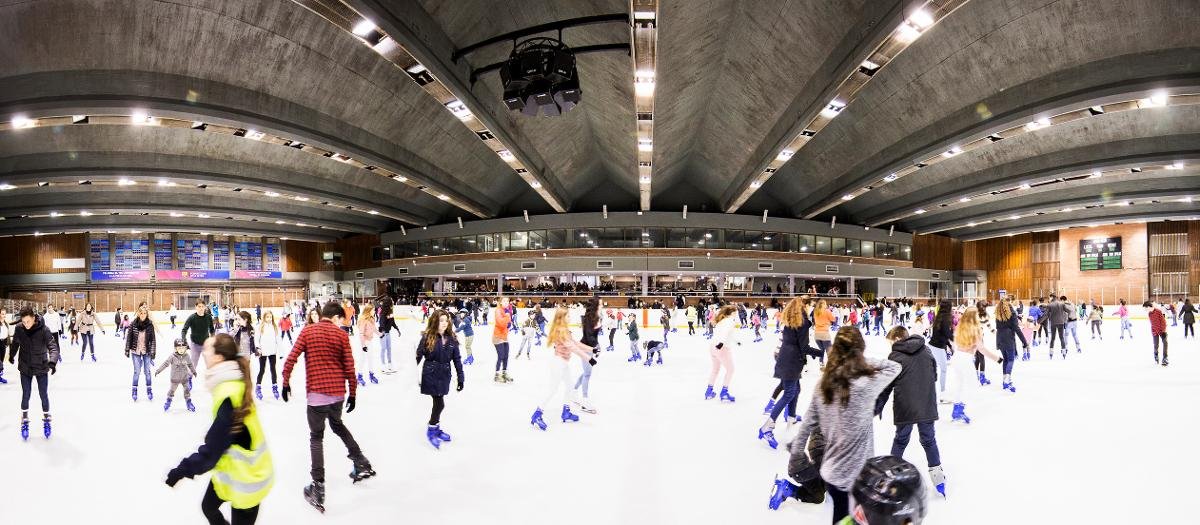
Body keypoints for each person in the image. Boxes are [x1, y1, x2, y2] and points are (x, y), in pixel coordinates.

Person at [777, 326, 901, 523]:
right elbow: (895, 367)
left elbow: (806, 428)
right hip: (860, 476)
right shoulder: (867, 384)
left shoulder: (823, 386)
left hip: (834, 475)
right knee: (859, 518)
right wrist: (858, 361)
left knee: (844, 517)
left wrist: (796, 456)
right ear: (860, 351)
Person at [165, 333, 273, 524]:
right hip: (231, 470)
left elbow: (211, 454)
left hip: (248, 478)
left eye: (207, 349)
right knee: (208, 507)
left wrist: (182, 470)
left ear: (219, 358)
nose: (203, 353)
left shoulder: (229, 393)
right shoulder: (229, 383)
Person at [281, 301, 375, 513]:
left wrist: (285, 382)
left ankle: (318, 486)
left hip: (317, 396)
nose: (341, 323)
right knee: (338, 425)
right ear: (334, 317)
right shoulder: (341, 335)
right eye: (340, 319)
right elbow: (349, 367)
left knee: (316, 437)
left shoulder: (307, 332)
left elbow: (291, 358)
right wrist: (352, 393)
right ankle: (360, 461)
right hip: (337, 395)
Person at [876, 326, 945, 497]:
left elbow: (886, 386)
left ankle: (890, 476)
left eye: (891, 341)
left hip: (905, 406)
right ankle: (938, 478)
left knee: (900, 441)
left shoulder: (895, 356)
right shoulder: (926, 350)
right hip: (926, 404)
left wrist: (877, 407)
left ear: (898, 338)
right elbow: (934, 375)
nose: (891, 345)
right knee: (929, 440)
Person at [757, 297, 821, 449]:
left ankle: (791, 417)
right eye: (809, 306)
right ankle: (767, 427)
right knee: (789, 393)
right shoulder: (802, 322)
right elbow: (804, 347)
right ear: (804, 307)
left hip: (785, 358)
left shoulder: (791, 320)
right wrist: (821, 353)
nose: (810, 308)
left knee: (795, 390)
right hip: (792, 361)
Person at [529, 307, 597, 431]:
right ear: (562, 318)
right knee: (552, 390)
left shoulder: (565, 330)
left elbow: (576, 343)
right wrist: (589, 358)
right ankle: (537, 414)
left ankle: (566, 412)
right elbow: (572, 347)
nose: (570, 318)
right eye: (568, 316)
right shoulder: (561, 331)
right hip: (558, 363)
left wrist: (592, 350)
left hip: (563, 363)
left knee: (570, 387)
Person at [415, 310, 464, 449]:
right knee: (439, 404)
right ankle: (432, 430)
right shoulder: (427, 337)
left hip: (444, 375)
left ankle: (435, 428)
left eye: (446, 320)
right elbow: (418, 356)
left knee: (439, 403)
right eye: (441, 320)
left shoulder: (452, 338)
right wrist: (411, 369)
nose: (445, 323)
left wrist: (461, 378)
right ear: (435, 321)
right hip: (430, 374)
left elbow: (457, 360)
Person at [10, 306, 59, 440]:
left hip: (41, 366)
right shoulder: (19, 328)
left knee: (43, 394)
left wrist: (53, 362)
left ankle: (47, 420)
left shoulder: (44, 330)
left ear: (33, 318)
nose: (26, 324)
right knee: (26, 394)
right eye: (23, 322)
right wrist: (11, 355)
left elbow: (53, 347)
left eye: (28, 321)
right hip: (25, 367)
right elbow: (15, 343)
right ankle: (24, 421)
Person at [949, 309, 1002, 424]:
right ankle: (959, 410)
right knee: (971, 385)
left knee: (960, 384)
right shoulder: (975, 329)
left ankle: (956, 410)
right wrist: (996, 358)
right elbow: (981, 349)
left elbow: (953, 342)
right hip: (965, 359)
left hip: (957, 357)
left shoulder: (959, 326)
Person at [705, 305, 740, 402]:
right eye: (735, 312)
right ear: (732, 313)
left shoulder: (722, 321)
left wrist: (737, 341)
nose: (736, 314)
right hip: (721, 348)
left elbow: (729, 334)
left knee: (715, 370)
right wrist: (721, 344)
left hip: (712, 347)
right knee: (731, 370)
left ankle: (709, 391)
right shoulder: (730, 321)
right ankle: (724, 393)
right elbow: (724, 333)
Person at [994, 300, 1029, 393]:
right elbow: (1017, 328)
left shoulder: (998, 314)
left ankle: (1004, 381)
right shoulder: (1012, 314)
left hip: (1000, 338)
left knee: (1005, 359)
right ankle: (1007, 380)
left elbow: (998, 327)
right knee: (1010, 359)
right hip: (1008, 338)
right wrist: (1024, 341)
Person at [574, 300, 602, 414]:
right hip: (585, 348)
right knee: (587, 373)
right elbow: (589, 337)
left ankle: (573, 390)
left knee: (586, 372)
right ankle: (585, 400)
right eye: (600, 304)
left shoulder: (594, 318)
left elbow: (594, 336)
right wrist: (595, 347)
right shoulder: (590, 319)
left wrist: (597, 345)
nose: (602, 305)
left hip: (589, 348)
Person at [156, 338, 199, 412]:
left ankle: (188, 402)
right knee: (172, 391)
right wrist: (158, 370)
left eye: (183, 348)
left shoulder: (187, 356)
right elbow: (165, 364)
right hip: (174, 379)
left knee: (187, 390)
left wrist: (194, 371)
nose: (181, 350)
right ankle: (168, 401)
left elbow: (190, 364)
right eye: (179, 348)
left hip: (185, 378)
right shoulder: (172, 356)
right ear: (175, 348)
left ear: (186, 348)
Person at [126, 306, 157, 402]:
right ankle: (134, 390)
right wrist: (127, 349)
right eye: (141, 313)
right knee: (137, 371)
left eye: (144, 313)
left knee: (147, 372)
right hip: (135, 351)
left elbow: (153, 340)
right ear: (138, 314)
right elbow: (129, 338)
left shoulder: (150, 325)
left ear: (147, 314)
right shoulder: (133, 324)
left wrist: (152, 352)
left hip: (146, 351)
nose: (143, 315)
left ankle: (149, 389)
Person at [927, 301, 953, 402]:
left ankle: (930, 392)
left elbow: (942, 334)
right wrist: (957, 341)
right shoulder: (946, 318)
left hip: (932, 346)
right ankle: (942, 395)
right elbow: (947, 333)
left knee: (934, 370)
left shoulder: (939, 317)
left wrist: (949, 345)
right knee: (943, 370)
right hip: (937, 347)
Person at [182, 301, 217, 373]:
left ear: (205, 307)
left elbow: (212, 329)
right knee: (193, 364)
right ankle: (189, 378)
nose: (201, 308)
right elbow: (184, 330)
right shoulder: (192, 318)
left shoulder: (208, 317)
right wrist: (184, 340)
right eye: (199, 306)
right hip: (195, 344)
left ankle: (212, 379)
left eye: (202, 306)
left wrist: (213, 340)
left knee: (210, 363)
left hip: (206, 344)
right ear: (196, 307)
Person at [255, 311, 281, 400]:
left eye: (270, 317)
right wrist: (258, 348)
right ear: (264, 318)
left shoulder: (274, 327)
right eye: (267, 317)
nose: (269, 319)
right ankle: (258, 387)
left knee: (273, 370)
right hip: (263, 352)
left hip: (272, 352)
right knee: (262, 370)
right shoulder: (260, 327)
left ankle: (275, 387)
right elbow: (256, 339)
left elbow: (278, 340)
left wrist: (281, 352)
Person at [356, 308, 380, 386]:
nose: (374, 311)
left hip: (370, 341)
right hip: (364, 342)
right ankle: (359, 376)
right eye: (373, 310)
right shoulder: (363, 320)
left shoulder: (371, 319)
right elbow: (361, 333)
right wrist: (363, 345)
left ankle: (371, 375)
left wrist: (380, 334)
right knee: (363, 359)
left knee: (370, 358)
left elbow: (374, 329)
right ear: (368, 311)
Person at [492, 297, 513, 383]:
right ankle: (497, 375)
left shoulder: (507, 310)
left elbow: (508, 323)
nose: (506, 302)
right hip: (497, 336)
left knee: (506, 356)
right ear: (500, 302)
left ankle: (504, 373)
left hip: (504, 336)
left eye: (507, 301)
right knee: (501, 356)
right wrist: (508, 317)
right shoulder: (498, 310)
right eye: (504, 301)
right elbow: (501, 323)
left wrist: (509, 322)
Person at [378, 298, 399, 372]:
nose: (393, 303)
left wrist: (397, 329)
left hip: (388, 333)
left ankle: (390, 364)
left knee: (389, 349)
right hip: (383, 333)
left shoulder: (391, 312)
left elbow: (392, 322)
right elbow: (381, 322)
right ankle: (383, 365)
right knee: (383, 348)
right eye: (392, 302)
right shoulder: (383, 312)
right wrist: (383, 331)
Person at [813, 299, 835, 366]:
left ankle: (821, 362)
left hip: (816, 334)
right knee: (829, 350)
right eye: (825, 304)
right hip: (824, 333)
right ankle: (832, 365)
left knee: (821, 349)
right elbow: (833, 319)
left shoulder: (815, 311)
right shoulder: (827, 311)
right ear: (824, 304)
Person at [1146, 301, 1168, 366]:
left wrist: (1163, 331)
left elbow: (1163, 321)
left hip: (1161, 331)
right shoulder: (1149, 314)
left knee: (1165, 343)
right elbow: (1152, 324)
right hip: (1155, 331)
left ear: (1149, 307)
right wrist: (1153, 331)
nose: (1145, 310)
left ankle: (1165, 358)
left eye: (1145, 308)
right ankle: (1156, 355)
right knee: (1156, 345)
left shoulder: (1158, 311)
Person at [0, 308, 10, 384]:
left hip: (3, 343)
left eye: (5, 314)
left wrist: (7, 343)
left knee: (1, 360)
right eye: (2, 314)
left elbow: (7, 334)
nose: (4, 315)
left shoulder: (5, 323)